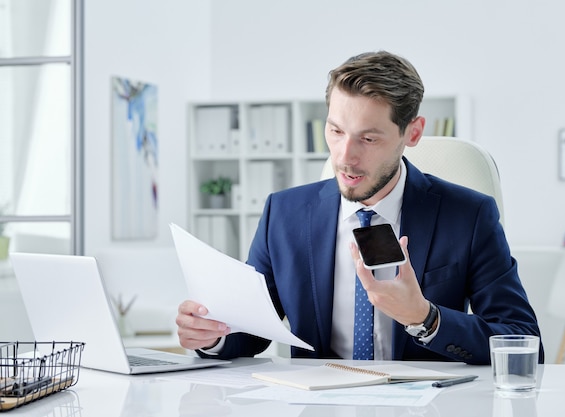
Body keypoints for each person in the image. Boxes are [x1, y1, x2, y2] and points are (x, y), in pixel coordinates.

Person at [176, 50, 543, 365]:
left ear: (412, 133)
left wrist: (425, 318)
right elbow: (254, 331)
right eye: (336, 132)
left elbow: (525, 341)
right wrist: (212, 335)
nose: (345, 157)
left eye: (368, 138)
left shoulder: (469, 215)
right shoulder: (283, 214)